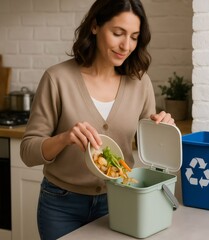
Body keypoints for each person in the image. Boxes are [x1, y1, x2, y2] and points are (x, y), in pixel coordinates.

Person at [20, 0, 175, 239]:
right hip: (61, 206)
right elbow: (28, 151)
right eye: (117, 33)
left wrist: (163, 130)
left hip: (121, 200)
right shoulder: (57, 78)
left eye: (134, 37)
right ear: (95, 26)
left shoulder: (140, 82)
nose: (126, 45)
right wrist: (64, 138)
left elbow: (152, 156)